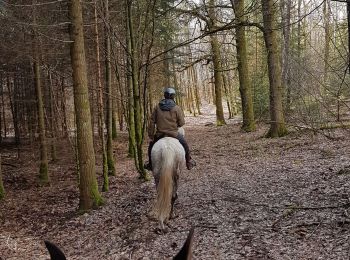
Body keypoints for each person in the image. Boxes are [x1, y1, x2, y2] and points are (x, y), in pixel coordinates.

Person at [144, 87, 196, 171]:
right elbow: (182, 123)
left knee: (151, 147)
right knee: (185, 145)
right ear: (173, 96)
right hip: (174, 134)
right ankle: (188, 162)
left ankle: (150, 164)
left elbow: (152, 121)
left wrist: (151, 135)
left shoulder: (157, 107)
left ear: (164, 96)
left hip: (159, 135)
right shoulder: (177, 108)